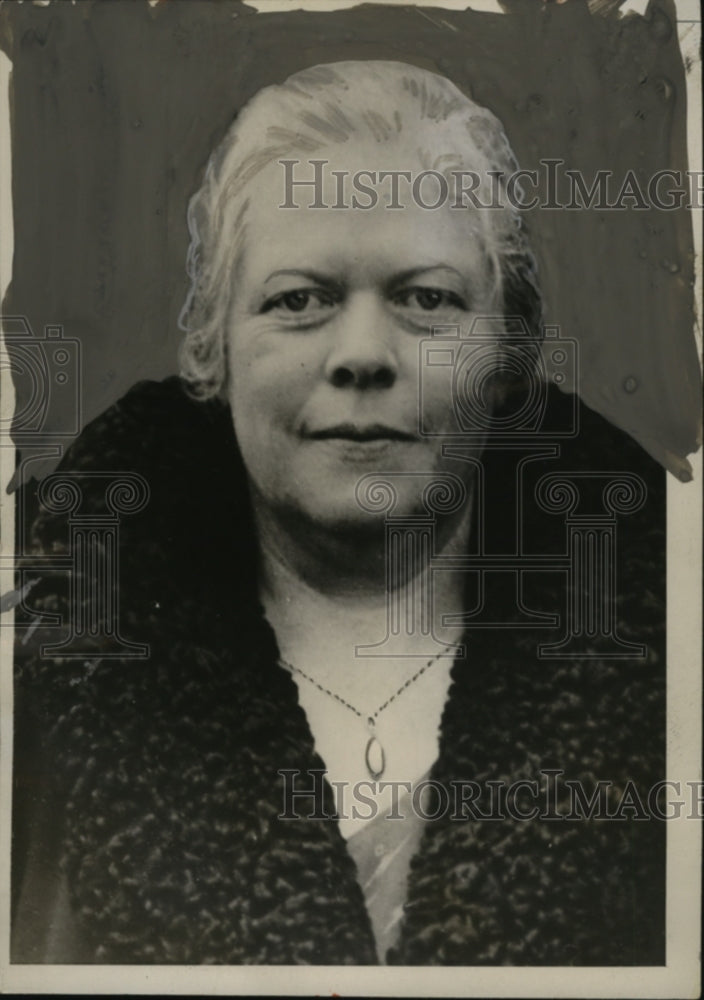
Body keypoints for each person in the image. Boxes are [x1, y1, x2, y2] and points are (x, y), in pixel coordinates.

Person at [12, 61, 665, 965]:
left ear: (509, 353)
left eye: (426, 299)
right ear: (217, 350)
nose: (363, 354)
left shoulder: (676, 670)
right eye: (299, 301)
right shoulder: (40, 684)